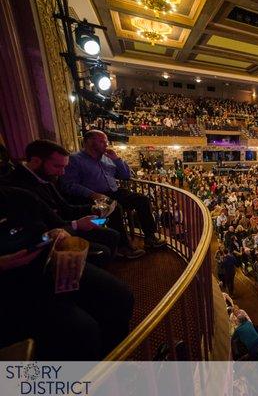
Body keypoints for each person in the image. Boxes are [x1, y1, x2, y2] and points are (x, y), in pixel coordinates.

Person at [0, 185, 133, 360]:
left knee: (120, 295)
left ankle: (115, 361)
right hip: (9, 285)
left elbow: (56, 225)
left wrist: (60, 233)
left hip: (47, 264)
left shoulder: (20, 195)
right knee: (82, 330)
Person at [6, 140, 123, 264]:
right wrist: (75, 225)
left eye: (64, 167)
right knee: (103, 251)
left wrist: (94, 209)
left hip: (63, 226)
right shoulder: (15, 188)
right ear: (35, 161)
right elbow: (41, 230)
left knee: (113, 235)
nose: (62, 173)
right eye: (57, 166)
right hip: (46, 242)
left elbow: (65, 208)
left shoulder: (44, 177)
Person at [61, 130, 165, 250]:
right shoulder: (75, 160)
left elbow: (126, 176)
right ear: (89, 142)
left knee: (142, 199)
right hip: (91, 198)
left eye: (106, 141)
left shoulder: (108, 159)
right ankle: (123, 247)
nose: (106, 144)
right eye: (102, 141)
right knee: (115, 208)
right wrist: (92, 194)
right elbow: (68, 185)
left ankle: (150, 237)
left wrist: (116, 159)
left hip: (113, 193)